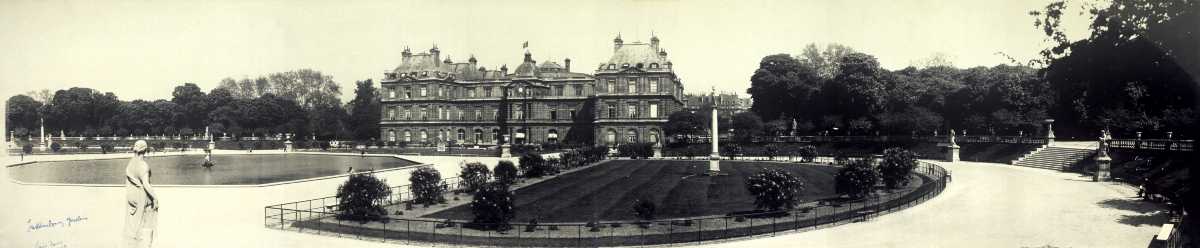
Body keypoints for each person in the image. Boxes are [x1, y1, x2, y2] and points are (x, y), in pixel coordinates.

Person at [123, 140, 158, 248]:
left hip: (132, 197)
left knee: (133, 227)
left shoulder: (131, 163)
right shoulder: (143, 165)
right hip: (142, 198)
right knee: (146, 226)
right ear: (145, 150)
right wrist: (155, 198)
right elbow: (146, 184)